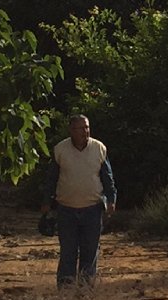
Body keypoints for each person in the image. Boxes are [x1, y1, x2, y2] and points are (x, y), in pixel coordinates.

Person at [41, 114, 119, 290]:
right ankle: (66, 290)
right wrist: (46, 202)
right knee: (68, 252)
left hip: (92, 209)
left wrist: (111, 200)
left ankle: (86, 289)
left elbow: (108, 178)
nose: (85, 131)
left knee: (90, 252)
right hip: (66, 209)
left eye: (87, 127)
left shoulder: (99, 148)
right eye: (80, 128)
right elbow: (51, 179)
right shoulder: (60, 150)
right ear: (71, 130)